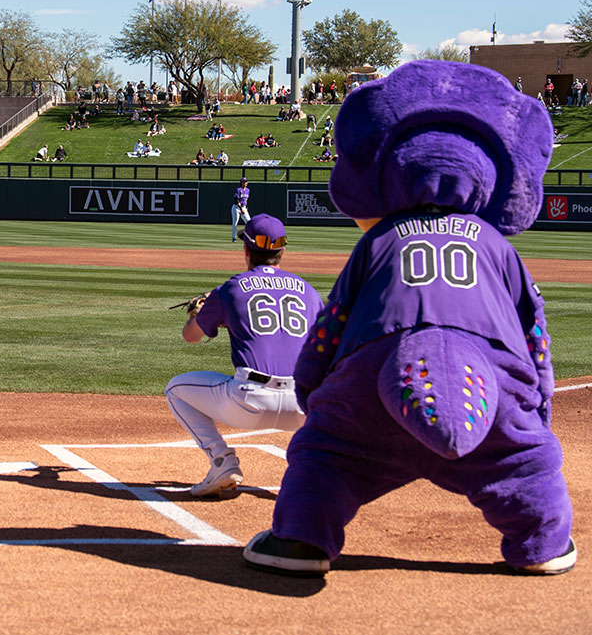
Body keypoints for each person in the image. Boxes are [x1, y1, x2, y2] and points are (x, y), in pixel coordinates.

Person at [244, 61, 576, 578]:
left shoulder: (378, 240)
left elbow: (330, 325)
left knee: (328, 456)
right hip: (489, 381)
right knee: (522, 460)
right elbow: (535, 334)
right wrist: (536, 406)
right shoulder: (498, 247)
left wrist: (313, 390)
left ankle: (301, 540)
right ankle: (544, 541)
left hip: (371, 382)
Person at [166, 215, 323, 497]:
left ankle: (222, 460)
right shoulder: (309, 292)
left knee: (176, 389)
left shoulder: (231, 288)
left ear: (246, 251)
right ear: (282, 251)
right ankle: (318, 472)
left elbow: (190, 336)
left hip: (249, 401)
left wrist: (200, 313)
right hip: (302, 406)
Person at [231, 177, 251, 242]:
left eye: (246, 182)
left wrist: (246, 208)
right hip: (236, 207)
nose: (246, 183)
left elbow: (246, 200)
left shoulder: (248, 190)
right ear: (241, 182)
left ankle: (249, 236)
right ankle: (234, 237)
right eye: (244, 182)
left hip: (244, 207)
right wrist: (241, 208)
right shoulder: (238, 189)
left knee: (249, 222)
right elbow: (237, 200)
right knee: (235, 222)